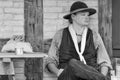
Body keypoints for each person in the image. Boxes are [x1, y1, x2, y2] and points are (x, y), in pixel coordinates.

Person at [46, 1, 112, 80]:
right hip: (68, 77)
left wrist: (102, 75)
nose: (87, 17)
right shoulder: (60, 34)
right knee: (73, 63)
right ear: (73, 17)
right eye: (83, 15)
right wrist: (58, 72)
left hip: (90, 78)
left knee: (74, 63)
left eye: (88, 15)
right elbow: (50, 60)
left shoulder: (95, 36)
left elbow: (104, 62)